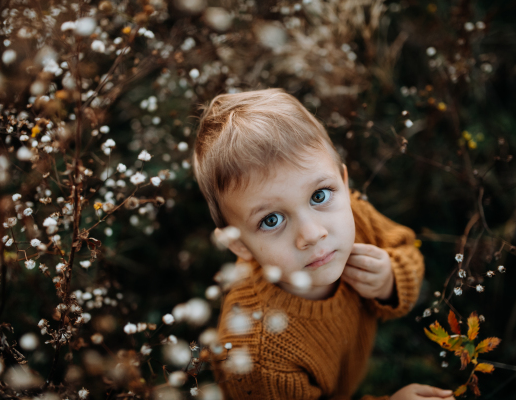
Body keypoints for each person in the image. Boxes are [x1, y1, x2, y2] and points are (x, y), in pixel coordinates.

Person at [193, 89, 454, 400]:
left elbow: (406, 248)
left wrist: (390, 280)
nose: (313, 234)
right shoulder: (258, 352)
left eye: (319, 196)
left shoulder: (354, 214)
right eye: (272, 220)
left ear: (343, 183)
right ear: (239, 246)